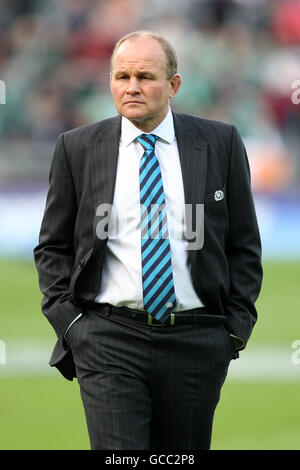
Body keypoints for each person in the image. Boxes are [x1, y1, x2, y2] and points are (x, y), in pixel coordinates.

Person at [34, 30, 263, 450]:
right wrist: (72, 326)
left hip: (197, 340)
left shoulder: (220, 142)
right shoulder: (77, 148)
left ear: (174, 85)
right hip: (108, 339)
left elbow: (244, 245)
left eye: (145, 76)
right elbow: (53, 248)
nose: (132, 86)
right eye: (121, 76)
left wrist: (233, 331)